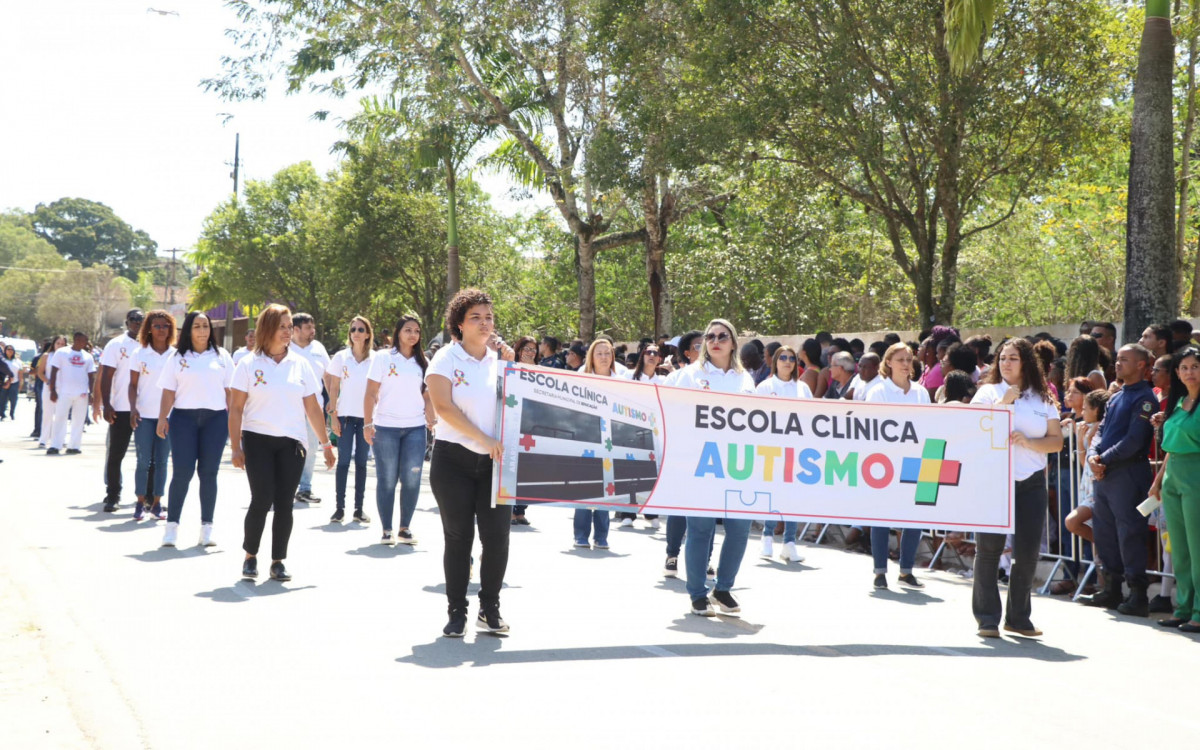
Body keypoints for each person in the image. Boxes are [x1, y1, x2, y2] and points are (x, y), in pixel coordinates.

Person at [425, 288, 515, 637]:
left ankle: (489, 608)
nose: (484, 323)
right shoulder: (445, 359)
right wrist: (484, 440)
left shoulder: (501, 363)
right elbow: (444, 407)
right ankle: (456, 611)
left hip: (495, 463)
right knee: (459, 538)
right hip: (454, 461)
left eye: (489, 317)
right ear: (459, 325)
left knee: (497, 539)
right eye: (475, 317)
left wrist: (513, 367)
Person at [230, 304, 335, 582]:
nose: (288, 331)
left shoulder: (300, 364)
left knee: (285, 503)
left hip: (292, 443)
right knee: (262, 499)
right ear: (268, 328)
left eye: (290, 326)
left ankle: (278, 561)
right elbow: (236, 408)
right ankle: (250, 555)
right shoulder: (248, 364)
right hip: (257, 440)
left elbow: (312, 407)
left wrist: (325, 444)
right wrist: (235, 447)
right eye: (283, 326)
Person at [969, 338, 1062, 638]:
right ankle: (987, 618)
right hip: (995, 480)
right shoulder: (987, 392)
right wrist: (1004, 402)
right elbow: (974, 428)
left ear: (1026, 363)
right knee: (989, 549)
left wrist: (1030, 442)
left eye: (1013, 358)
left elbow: (1056, 441)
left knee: (1027, 552)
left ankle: (1018, 618)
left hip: (1031, 481)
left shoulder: (1043, 398)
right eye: (1002, 358)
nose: (1006, 363)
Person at [672, 319, 758, 616]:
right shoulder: (688, 376)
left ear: (733, 342)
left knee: (739, 529)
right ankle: (697, 593)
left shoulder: (745, 379)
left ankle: (723, 589)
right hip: (700, 463)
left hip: (738, 464)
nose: (715, 340)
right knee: (700, 529)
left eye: (722, 336)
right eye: (710, 336)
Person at [1083, 344, 1158, 616]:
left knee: (1130, 533)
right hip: (1106, 474)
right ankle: (1111, 589)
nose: (1118, 364)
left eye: (1125, 360)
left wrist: (1103, 460)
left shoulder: (1145, 398)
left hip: (1127, 473)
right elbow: (1101, 430)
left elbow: (1135, 440)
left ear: (1141, 365)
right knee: (1105, 532)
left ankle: (1137, 594)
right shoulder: (1116, 396)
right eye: (1117, 359)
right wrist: (1093, 454)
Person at [157, 312, 234, 547]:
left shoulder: (222, 356)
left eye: (206, 326)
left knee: (209, 474)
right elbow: (168, 391)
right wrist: (162, 418)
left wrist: (233, 422)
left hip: (215, 421)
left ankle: (206, 529)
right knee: (182, 472)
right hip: (183, 420)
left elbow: (231, 392)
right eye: (197, 326)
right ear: (189, 330)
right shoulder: (176, 357)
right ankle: (171, 528)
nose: (202, 331)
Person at [864, 342, 931, 589]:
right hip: (885, 461)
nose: (905, 364)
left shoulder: (921, 393)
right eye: (900, 359)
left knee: (914, 516)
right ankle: (880, 571)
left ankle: (906, 570)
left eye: (909, 359)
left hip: (915, 459)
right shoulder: (878, 391)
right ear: (889, 362)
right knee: (881, 516)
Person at [364, 315, 434, 545]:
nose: (413, 334)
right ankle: (386, 529)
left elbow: (427, 395)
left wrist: (432, 419)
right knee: (387, 479)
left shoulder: (423, 362)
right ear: (398, 332)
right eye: (408, 330)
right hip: (386, 428)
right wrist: (367, 422)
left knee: (412, 479)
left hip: (415, 428)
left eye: (416, 331)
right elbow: (371, 392)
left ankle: (405, 528)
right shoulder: (384, 358)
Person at [1148, 346, 1200, 632]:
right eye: (1183, 367)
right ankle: (1183, 608)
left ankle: (1199, 612)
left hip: (1197, 477)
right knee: (1179, 547)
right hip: (1173, 479)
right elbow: (1168, 448)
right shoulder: (1178, 403)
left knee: (1197, 547)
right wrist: (1157, 481)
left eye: (1194, 366)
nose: (1189, 372)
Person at [755, 345, 811, 563]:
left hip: (797, 450)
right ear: (775, 361)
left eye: (791, 358)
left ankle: (789, 543)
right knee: (774, 492)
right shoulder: (765, 387)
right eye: (783, 358)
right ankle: (767, 537)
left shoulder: (803, 388)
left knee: (794, 495)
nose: (787, 361)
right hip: (772, 448)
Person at [326, 316, 376, 525]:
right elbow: (333, 387)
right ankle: (339, 509)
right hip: (345, 416)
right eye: (353, 329)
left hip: (366, 419)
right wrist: (333, 416)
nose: (356, 332)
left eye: (361, 329)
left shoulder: (376, 358)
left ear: (367, 334)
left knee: (362, 463)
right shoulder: (341, 357)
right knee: (343, 462)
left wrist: (374, 420)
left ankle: (359, 509)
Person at [127, 310, 175, 522]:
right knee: (143, 461)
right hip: (144, 416)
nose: (161, 330)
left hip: (168, 417)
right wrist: (132, 408)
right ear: (149, 329)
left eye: (165, 326)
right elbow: (133, 384)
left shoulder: (176, 355)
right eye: (156, 326)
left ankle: (157, 503)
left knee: (162, 461)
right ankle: (140, 502)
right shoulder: (139, 353)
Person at [98, 309, 145, 512]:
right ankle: (113, 495)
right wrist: (107, 404)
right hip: (122, 408)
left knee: (147, 457)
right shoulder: (116, 345)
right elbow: (106, 376)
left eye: (141, 320)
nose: (137, 323)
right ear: (127, 322)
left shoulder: (151, 344)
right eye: (133, 320)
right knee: (116, 454)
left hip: (146, 410)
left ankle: (148, 496)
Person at [574, 339, 618, 547]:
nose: (603, 357)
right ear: (592, 356)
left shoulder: (622, 379)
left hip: (612, 440)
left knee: (606, 489)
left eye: (607, 353)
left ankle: (601, 537)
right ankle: (580, 535)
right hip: (586, 438)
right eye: (599, 353)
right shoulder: (581, 378)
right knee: (585, 488)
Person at [290, 313, 331, 504]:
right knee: (286, 449)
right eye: (308, 327)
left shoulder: (319, 348)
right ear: (295, 329)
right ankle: (282, 488)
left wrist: (333, 401)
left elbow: (328, 377)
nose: (312, 331)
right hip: (288, 408)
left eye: (313, 326)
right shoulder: (285, 347)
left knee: (311, 448)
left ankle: (304, 488)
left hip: (314, 409)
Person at [46, 332, 96, 456]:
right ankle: (55, 445)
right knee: (60, 418)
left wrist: (92, 393)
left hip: (82, 394)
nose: (84, 343)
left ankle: (74, 446)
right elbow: (54, 371)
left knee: (78, 420)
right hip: (64, 392)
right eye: (81, 340)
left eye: (85, 341)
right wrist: (52, 390)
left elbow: (91, 376)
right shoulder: (62, 352)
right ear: (75, 339)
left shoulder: (87, 356)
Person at [37, 336, 67, 447]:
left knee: (61, 415)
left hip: (63, 388)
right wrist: (48, 382)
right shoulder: (47, 356)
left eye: (62, 344)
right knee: (47, 414)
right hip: (49, 388)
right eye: (58, 343)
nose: (60, 345)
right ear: (54, 344)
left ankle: (60, 439)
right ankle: (43, 439)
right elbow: (40, 372)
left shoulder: (67, 356)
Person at [1, 343, 23, 421]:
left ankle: (12, 413)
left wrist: (20, 384)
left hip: (15, 382)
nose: (10, 351)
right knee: (3, 398)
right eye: (8, 349)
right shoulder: (2, 360)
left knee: (13, 399)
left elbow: (20, 374)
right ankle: (2, 414)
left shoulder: (18, 362)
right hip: (4, 382)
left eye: (11, 350)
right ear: (5, 351)